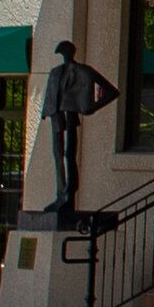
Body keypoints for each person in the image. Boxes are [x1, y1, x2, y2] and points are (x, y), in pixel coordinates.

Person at [36, 40, 118, 220]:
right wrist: (46, 111)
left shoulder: (83, 70)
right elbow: (51, 95)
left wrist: (91, 107)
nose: (64, 56)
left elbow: (111, 91)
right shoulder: (55, 72)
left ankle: (69, 193)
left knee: (68, 154)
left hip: (71, 114)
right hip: (56, 115)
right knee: (57, 154)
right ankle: (60, 194)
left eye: (65, 52)